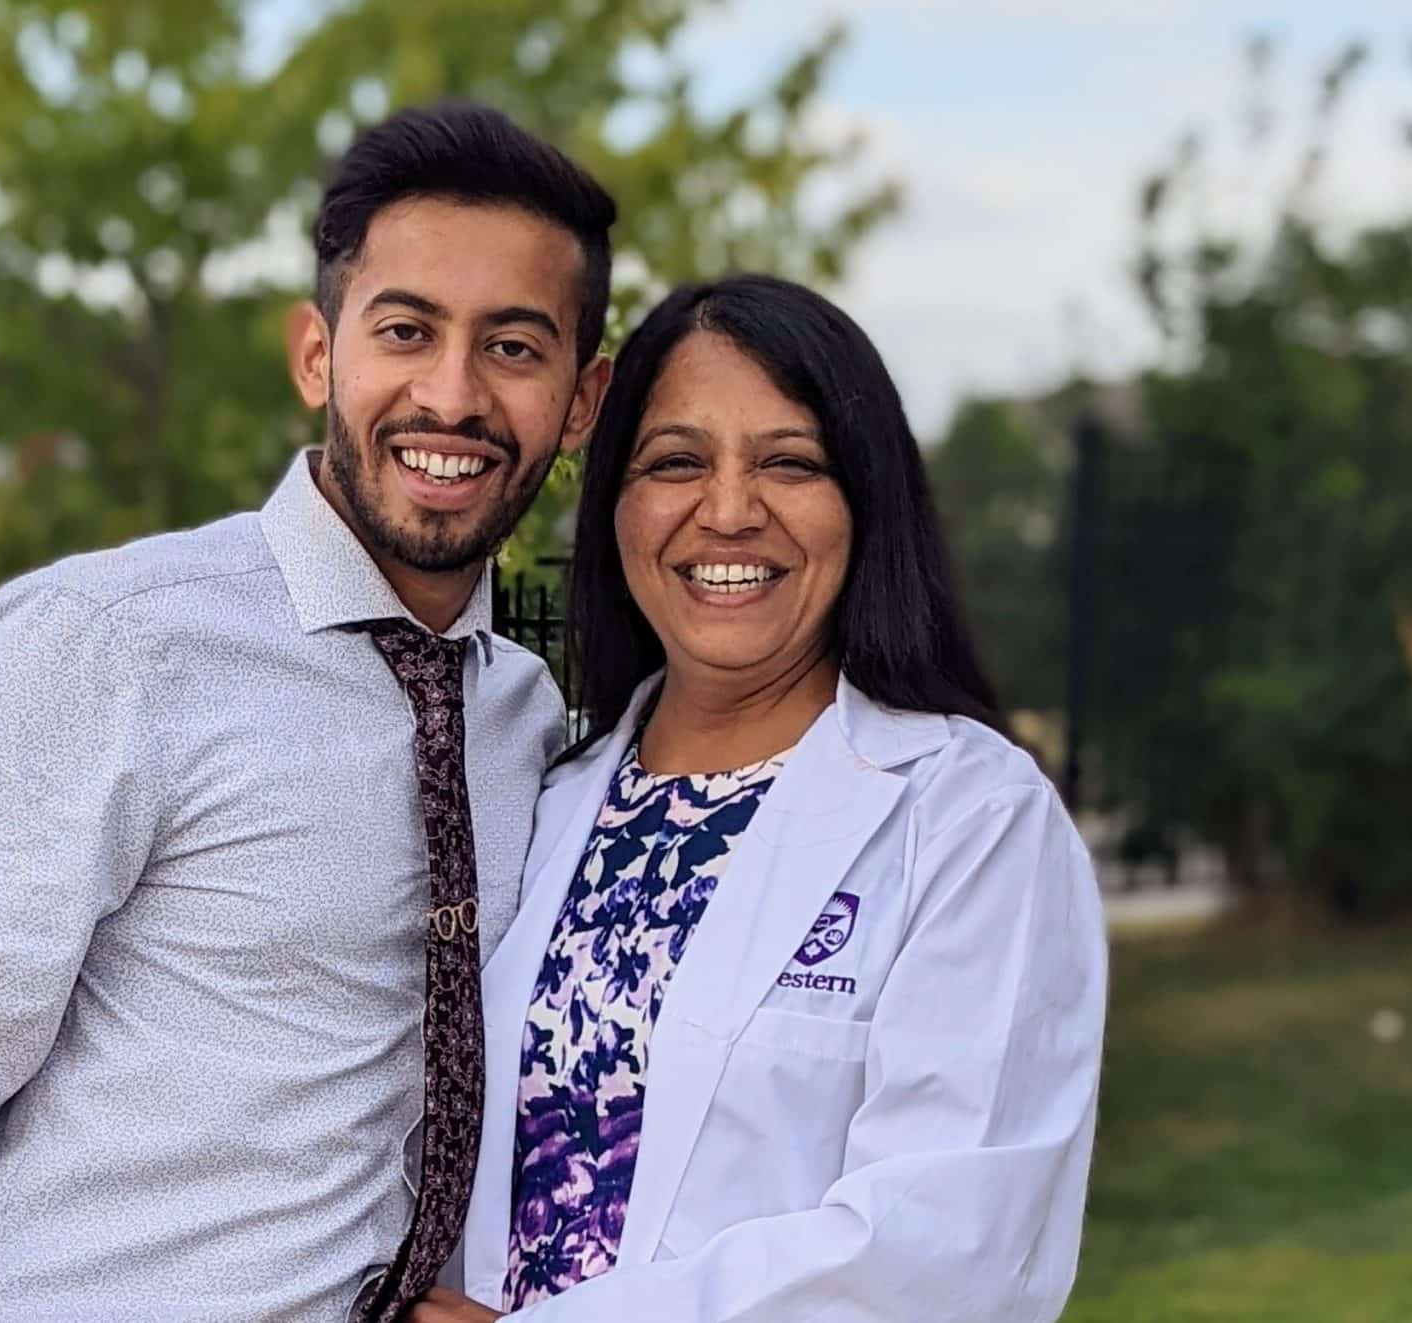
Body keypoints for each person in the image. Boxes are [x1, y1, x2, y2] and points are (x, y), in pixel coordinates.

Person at [0, 100, 618, 1323]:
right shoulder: (112, 642)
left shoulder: (523, 719)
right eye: (405, 330)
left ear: (579, 406)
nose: (451, 394)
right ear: (318, 355)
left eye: (513, 348)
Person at [413, 276, 1107, 1323]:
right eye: (675, 462)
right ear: (615, 508)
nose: (728, 511)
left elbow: (947, 1256)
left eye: (789, 462)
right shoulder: (538, 802)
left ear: (863, 504)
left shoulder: (968, 818)